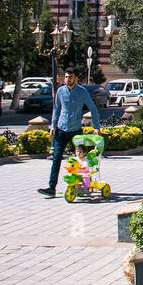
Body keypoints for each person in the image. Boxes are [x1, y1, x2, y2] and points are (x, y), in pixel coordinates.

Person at [38, 68, 101, 197]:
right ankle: (51, 188)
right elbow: (56, 109)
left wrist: (96, 126)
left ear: (76, 78)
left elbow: (93, 109)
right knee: (56, 159)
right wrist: (53, 125)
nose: (68, 79)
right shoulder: (60, 91)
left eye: (70, 77)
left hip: (75, 131)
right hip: (61, 130)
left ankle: (83, 186)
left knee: (81, 160)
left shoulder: (82, 92)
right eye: (66, 77)